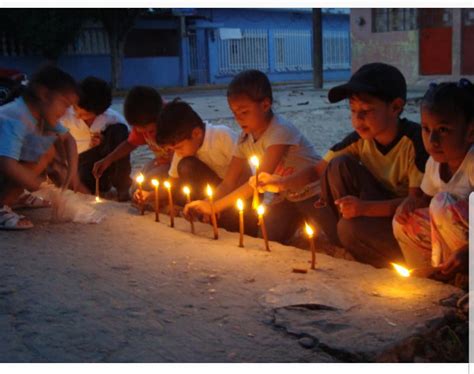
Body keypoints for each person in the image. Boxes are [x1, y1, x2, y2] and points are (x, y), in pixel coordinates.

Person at [256, 63, 429, 268]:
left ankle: (381, 251)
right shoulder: (358, 140)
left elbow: (415, 203)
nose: (358, 119)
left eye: (366, 110)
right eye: (353, 110)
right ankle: (346, 236)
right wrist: (280, 183)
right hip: (367, 212)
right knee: (339, 166)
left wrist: (364, 209)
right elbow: (316, 170)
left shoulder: (416, 142)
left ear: (395, 107)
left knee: (348, 229)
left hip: (403, 223)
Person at [184, 69, 321, 243]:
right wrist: (205, 203)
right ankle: (297, 220)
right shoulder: (244, 139)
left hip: (313, 191)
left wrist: (215, 207)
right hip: (285, 198)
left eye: (244, 112)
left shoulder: (279, 131)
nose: (239, 119)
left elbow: (257, 183)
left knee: (331, 234)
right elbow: (229, 182)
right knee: (267, 236)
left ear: (265, 105)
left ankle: (309, 218)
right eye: (234, 113)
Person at [393, 79, 473, 279]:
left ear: (471, 132)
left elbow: (437, 204)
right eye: (426, 129)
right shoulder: (434, 163)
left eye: (443, 130)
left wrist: (468, 252)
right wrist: (410, 203)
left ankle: (464, 278)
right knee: (403, 222)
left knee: (441, 203)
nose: (432, 141)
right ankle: (431, 273)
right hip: (452, 238)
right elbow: (424, 199)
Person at [0, 65, 79, 229]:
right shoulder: (16, 117)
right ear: (43, 94)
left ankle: (15, 196)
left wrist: (72, 173)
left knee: (46, 150)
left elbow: (69, 140)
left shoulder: (38, 114)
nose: (65, 112)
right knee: (44, 151)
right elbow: (6, 164)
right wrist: (42, 187)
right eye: (64, 104)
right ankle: (2, 206)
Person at [92, 86, 173, 197]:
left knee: (148, 186)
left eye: (151, 131)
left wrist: (171, 162)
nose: (148, 135)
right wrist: (108, 160)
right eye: (143, 131)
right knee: (135, 189)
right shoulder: (142, 119)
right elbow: (130, 143)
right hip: (162, 162)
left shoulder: (172, 120)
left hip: (179, 165)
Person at [61, 77, 131, 201]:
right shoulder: (64, 116)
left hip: (104, 164)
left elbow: (127, 144)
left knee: (119, 130)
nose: (77, 115)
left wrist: (105, 143)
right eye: (76, 109)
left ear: (99, 112)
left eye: (84, 114)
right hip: (78, 163)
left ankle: (122, 187)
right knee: (82, 180)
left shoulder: (112, 118)